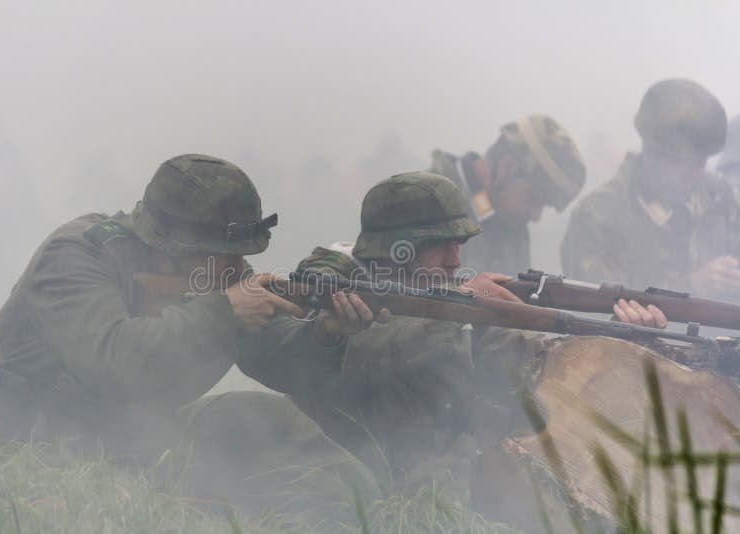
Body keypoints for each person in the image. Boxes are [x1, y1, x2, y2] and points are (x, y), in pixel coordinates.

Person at [0, 153, 375, 516]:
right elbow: (116, 363)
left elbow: (274, 356)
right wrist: (224, 312)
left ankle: (367, 514)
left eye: (239, 254)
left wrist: (324, 334)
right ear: (170, 245)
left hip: (120, 437)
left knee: (262, 419)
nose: (237, 266)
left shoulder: (212, 277)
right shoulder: (77, 253)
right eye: (223, 253)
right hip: (14, 435)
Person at [236, 171, 666, 532]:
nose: (454, 258)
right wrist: (465, 304)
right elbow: (373, 350)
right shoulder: (329, 296)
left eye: (459, 243)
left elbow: (536, 361)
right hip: (367, 499)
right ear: (394, 248)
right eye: (439, 244)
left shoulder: (443, 299)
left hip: (457, 490)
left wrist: (620, 342)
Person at [561, 79, 740, 300]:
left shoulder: (719, 196)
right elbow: (597, 311)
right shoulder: (597, 215)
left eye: (702, 161)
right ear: (654, 154)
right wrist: (690, 285)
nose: (698, 173)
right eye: (686, 162)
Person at [429, 115, 586, 276]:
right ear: (508, 167)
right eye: (535, 199)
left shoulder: (511, 228)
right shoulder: (431, 202)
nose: (536, 216)